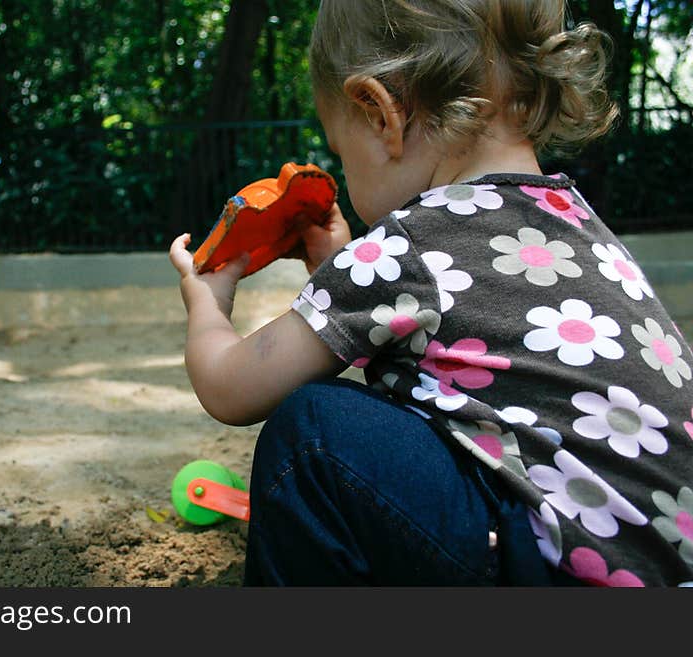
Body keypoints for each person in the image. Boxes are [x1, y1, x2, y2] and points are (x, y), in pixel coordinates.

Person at [168, 0, 693, 586]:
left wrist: (208, 302)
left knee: (315, 432)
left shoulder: (408, 247)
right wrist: (342, 266)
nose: (345, 175)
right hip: (657, 567)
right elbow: (453, 319)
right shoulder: (572, 222)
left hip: (565, 578)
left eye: (341, 154)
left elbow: (231, 388)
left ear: (378, 114)